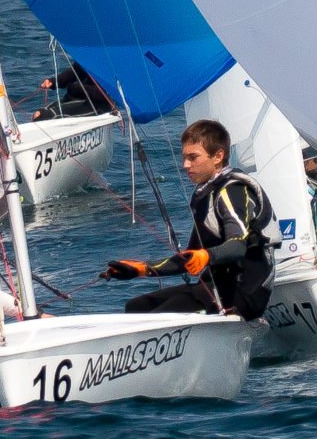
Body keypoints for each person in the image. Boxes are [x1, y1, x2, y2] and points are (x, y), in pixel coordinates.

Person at [104, 120, 275, 319]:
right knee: (137, 307)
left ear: (218, 156)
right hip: (217, 287)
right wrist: (143, 269)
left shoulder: (232, 192)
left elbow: (237, 246)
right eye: (184, 157)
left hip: (244, 292)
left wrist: (206, 256)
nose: (185, 164)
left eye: (193, 157)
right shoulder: (205, 193)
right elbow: (190, 257)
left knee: (155, 318)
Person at [35, 60, 113, 118]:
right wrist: (53, 82)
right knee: (38, 114)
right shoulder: (89, 55)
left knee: (45, 115)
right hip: (76, 99)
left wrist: (76, 88)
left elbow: (105, 94)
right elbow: (74, 72)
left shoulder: (109, 60)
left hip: (97, 105)